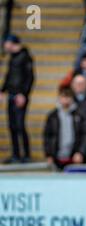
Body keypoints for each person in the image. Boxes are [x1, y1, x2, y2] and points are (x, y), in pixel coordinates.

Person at [0, 34, 34, 163]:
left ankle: (26, 154)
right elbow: (9, 76)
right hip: (11, 94)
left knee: (20, 125)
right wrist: (3, 90)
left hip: (20, 96)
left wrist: (24, 94)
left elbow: (30, 78)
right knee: (12, 126)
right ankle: (15, 154)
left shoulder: (25, 57)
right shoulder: (12, 58)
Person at [43, 87, 86, 170]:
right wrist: (48, 155)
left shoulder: (79, 115)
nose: (66, 100)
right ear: (59, 98)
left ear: (72, 99)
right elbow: (47, 136)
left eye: (68, 97)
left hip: (74, 156)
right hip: (56, 157)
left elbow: (83, 135)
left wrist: (80, 152)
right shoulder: (52, 116)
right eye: (63, 97)